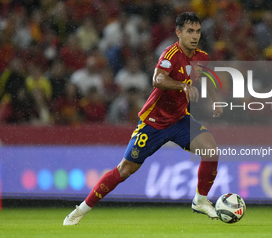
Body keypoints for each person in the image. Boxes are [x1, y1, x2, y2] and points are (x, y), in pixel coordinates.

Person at [63, 12, 223, 225]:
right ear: (178, 33)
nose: (195, 36)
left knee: (211, 151)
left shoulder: (201, 57)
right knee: (124, 170)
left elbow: (207, 76)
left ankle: (200, 200)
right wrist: (182, 85)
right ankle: (81, 209)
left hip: (179, 120)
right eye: (189, 31)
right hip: (153, 123)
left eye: (198, 32)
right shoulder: (170, 55)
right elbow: (157, 79)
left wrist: (214, 99)